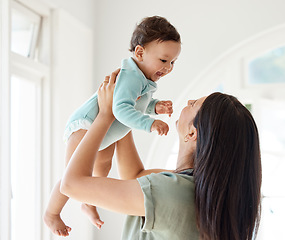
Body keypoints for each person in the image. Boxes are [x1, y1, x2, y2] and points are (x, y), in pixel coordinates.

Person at [60, 70, 262, 240]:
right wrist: (123, 109)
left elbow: (71, 185)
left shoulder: (170, 191)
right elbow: (134, 175)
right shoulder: (191, 187)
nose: (189, 101)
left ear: (192, 133)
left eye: (193, 105)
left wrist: (105, 115)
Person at [44, 16, 181, 236]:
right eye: (164, 60)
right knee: (74, 175)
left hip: (108, 131)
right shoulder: (131, 77)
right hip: (86, 126)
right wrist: (150, 123)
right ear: (139, 53)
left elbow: (138, 102)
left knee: (101, 171)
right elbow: (121, 109)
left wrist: (155, 107)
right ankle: (51, 214)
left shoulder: (145, 78)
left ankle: (88, 202)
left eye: (173, 62)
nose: (168, 68)